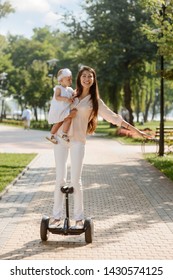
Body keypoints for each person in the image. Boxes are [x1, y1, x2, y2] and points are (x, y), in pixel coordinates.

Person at [50, 65, 148, 229]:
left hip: (78, 141)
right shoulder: (70, 94)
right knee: (60, 178)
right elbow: (56, 106)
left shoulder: (95, 101)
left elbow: (114, 117)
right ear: (79, 78)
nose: (87, 79)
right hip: (61, 138)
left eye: (90, 76)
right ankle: (56, 216)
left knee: (75, 180)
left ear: (94, 80)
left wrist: (136, 130)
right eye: (84, 76)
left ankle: (79, 218)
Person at [46, 68, 77, 144]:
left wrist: (75, 94)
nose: (70, 81)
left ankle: (64, 133)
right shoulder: (58, 88)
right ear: (61, 80)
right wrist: (66, 99)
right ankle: (51, 134)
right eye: (68, 79)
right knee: (58, 122)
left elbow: (74, 95)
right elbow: (57, 97)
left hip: (65, 109)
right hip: (59, 109)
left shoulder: (70, 89)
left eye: (70, 79)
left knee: (68, 120)